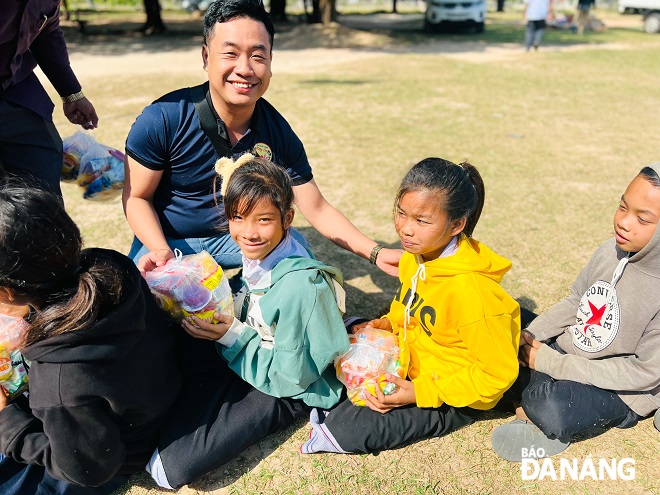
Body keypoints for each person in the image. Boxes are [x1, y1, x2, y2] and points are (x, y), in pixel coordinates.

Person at [123, 0, 401, 276]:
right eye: (230, 54)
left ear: (270, 62)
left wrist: (375, 253)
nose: (245, 69)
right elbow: (137, 197)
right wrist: (161, 252)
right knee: (146, 307)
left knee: (298, 255)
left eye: (258, 56)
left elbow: (316, 208)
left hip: (233, 240)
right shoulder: (162, 118)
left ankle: (243, 300)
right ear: (206, 57)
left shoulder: (277, 132)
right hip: (167, 241)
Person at [146, 153, 349, 489]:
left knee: (169, 469)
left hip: (289, 385)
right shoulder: (260, 256)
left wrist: (233, 336)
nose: (248, 233)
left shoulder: (300, 285)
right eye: (237, 218)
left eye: (264, 220)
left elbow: (292, 375)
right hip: (249, 347)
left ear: (288, 218)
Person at [300, 157, 521, 454]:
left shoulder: (473, 293)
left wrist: (420, 393)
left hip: (452, 389)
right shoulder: (416, 256)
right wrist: (388, 324)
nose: (405, 229)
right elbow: (409, 306)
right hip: (408, 360)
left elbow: (497, 376)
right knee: (329, 359)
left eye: (421, 221)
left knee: (348, 429)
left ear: (457, 224)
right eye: (401, 214)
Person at [0, 182, 180, 494]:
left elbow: (86, 469)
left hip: (121, 450)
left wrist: (6, 421)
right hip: (160, 394)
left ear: (7, 292)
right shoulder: (110, 264)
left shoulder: (59, 382)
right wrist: (35, 319)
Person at [491, 164, 660, 462]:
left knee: (551, 405)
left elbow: (642, 373)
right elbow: (575, 302)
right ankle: (527, 396)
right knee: (500, 337)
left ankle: (530, 400)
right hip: (572, 356)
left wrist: (550, 363)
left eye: (642, 219)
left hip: (624, 388)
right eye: (622, 206)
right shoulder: (610, 250)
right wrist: (531, 335)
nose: (623, 222)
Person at [0, 0, 98, 196]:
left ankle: (44, 225)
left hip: (16, 90)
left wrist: (72, 94)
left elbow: (47, 33)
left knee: (42, 161)